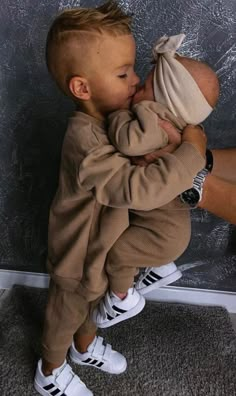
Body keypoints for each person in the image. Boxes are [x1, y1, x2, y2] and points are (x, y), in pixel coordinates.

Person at [34, 2, 208, 396]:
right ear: (82, 87)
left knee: (95, 305)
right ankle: (50, 371)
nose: (135, 81)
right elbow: (134, 188)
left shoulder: (111, 123)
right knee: (67, 311)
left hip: (102, 245)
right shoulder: (84, 140)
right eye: (122, 73)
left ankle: (83, 347)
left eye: (133, 69)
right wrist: (190, 154)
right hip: (76, 255)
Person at [92, 32, 222, 328]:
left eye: (147, 83)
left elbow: (129, 142)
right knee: (141, 234)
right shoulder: (180, 124)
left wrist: (116, 115)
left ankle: (121, 298)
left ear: (164, 98)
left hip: (164, 235)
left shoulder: (150, 113)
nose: (137, 84)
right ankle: (160, 266)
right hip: (168, 233)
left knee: (119, 254)